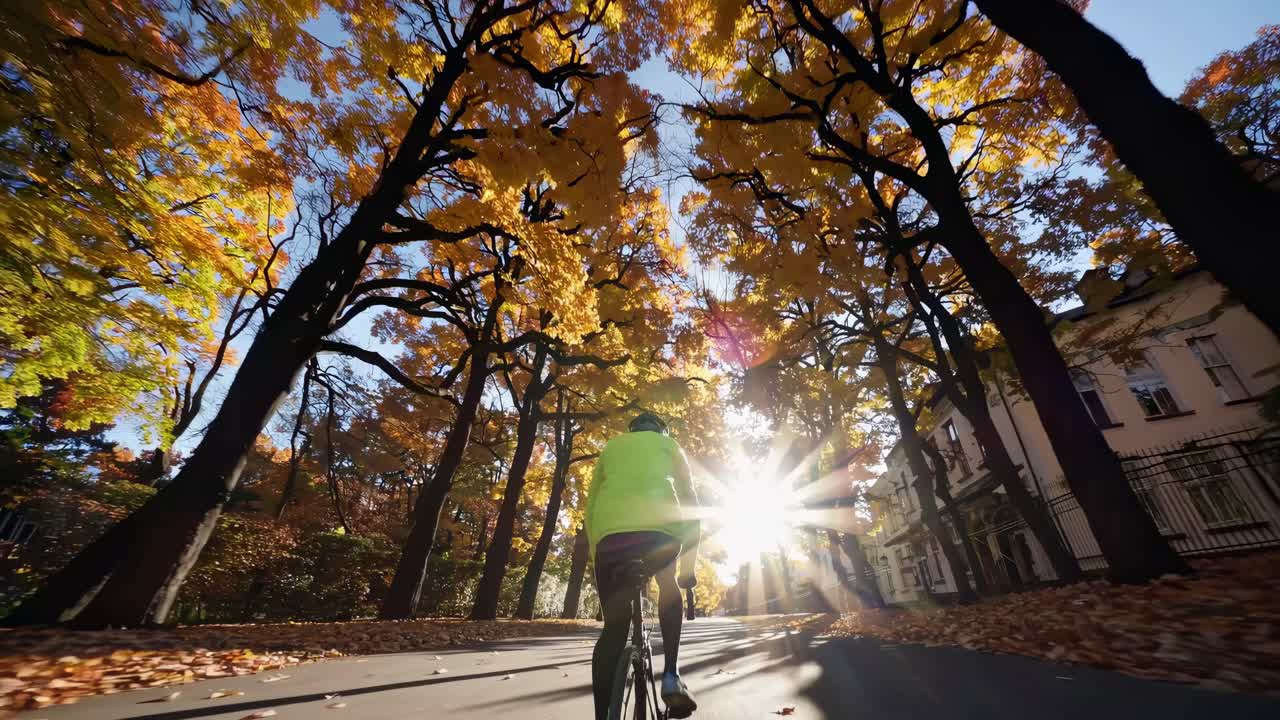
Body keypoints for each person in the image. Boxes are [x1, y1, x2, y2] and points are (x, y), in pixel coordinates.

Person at [585, 412, 700, 720]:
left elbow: (591, 506)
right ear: (660, 430)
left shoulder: (611, 447)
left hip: (611, 543)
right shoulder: (670, 445)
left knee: (614, 629)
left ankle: (602, 716)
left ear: (632, 430)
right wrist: (688, 567)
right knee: (669, 583)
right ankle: (672, 676)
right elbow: (690, 502)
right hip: (659, 535)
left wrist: (600, 561)